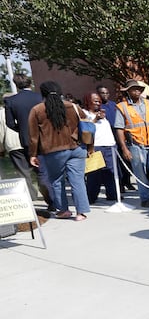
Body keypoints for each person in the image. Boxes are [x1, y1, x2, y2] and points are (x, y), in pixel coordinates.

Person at [28, 81, 90, 221]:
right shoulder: (73, 106)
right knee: (78, 180)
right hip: (77, 148)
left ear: (42, 93)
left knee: (56, 180)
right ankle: (81, 213)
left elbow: (33, 136)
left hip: (53, 151)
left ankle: (63, 210)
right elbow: (86, 125)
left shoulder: (37, 110)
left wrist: (33, 154)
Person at [114, 79, 149, 208]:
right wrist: (124, 149)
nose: (137, 91)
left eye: (138, 89)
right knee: (140, 172)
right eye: (134, 89)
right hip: (135, 144)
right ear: (128, 91)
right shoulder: (122, 107)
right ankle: (146, 199)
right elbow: (119, 128)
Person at [4, 74, 55, 209]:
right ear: (30, 83)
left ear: (16, 85)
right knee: (44, 172)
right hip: (46, 138)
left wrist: (23, 130)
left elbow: (10, 123)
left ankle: (32, 200)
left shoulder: (11, 101)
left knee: (28, 171)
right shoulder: (41, 98)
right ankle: (52, 201)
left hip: (27, 140)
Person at [98, 84, 135, 193]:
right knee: (113, 164)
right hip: (106, 136)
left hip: (118, 134)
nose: (105, 95)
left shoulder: (114, 105)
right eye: (102, 93)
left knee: (125, 160)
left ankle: (126, 181)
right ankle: (118, 186)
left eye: (107, 93)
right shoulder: (97, 107)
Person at [84, 92, 118, 204]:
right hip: (96, 146)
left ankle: (112, 194)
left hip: (109, 145)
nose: (98, 103)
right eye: (95, 101)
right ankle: (91, 197)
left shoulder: (102, 114)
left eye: (99, 101)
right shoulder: (85, 113)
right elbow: (85, 129)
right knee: (94, 174)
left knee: (110, 172)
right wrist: (95, 119)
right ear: (88, 101)